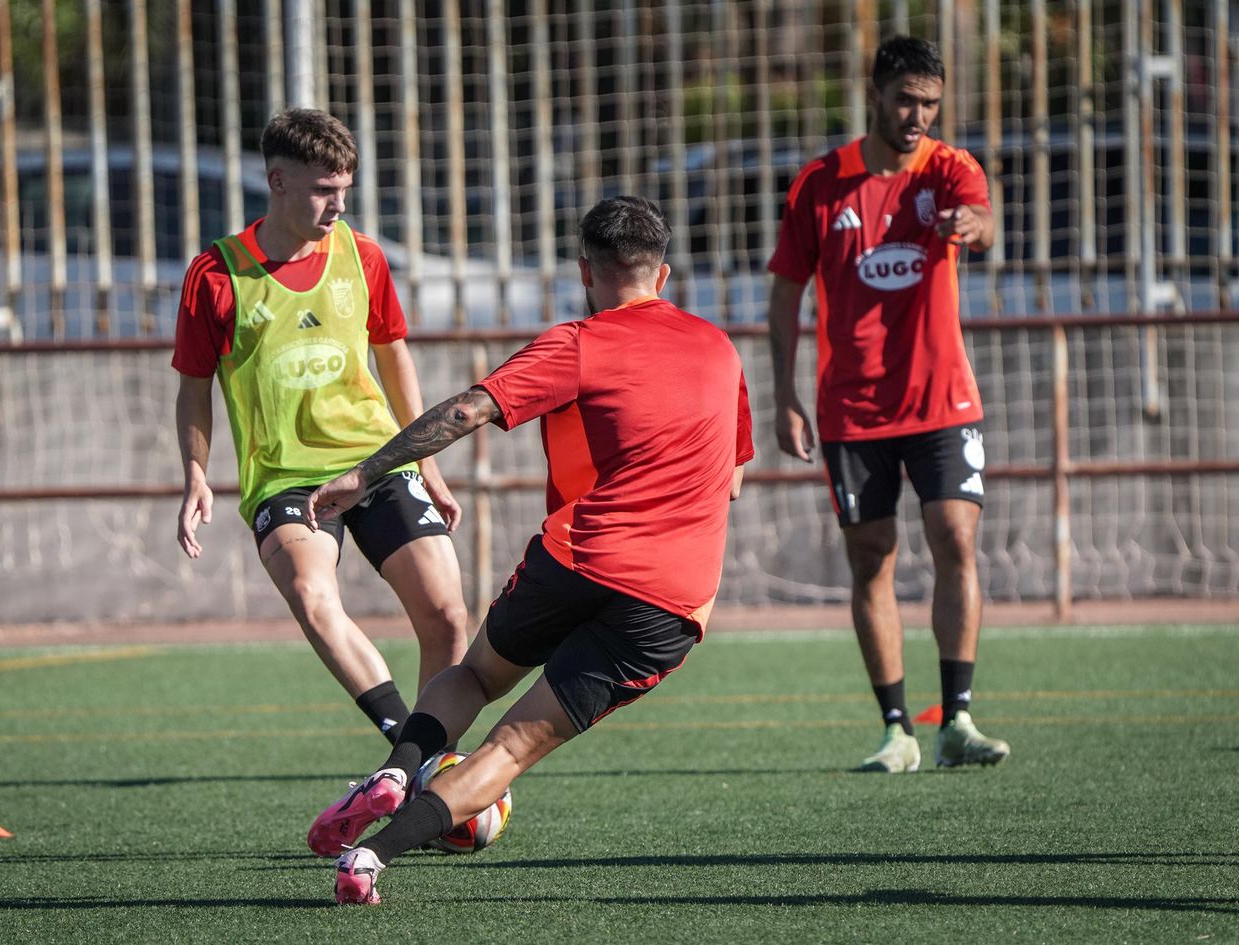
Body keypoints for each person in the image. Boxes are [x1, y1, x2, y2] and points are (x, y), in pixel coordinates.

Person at [305, 196, 754, 904]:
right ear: (662, 274)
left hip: (578, 557)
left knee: (478, 675)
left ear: (584, 270)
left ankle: (397, 769)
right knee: (510, 748)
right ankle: (368, 860)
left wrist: (366, 473)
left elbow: (465, 410)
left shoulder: (581, 341)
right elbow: (729, 482)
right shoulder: (720, 350)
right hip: (668, 598)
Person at [173, 109, 467, 753]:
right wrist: (195, 474)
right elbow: (193, 387)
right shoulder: (215, 275)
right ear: (277, 181)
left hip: (379, 459)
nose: (338, 205)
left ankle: (428, 763)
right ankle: (411, 753)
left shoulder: (363, 257)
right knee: (311, 592)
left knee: (446, 614)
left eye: (345, 191)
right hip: (285, 478)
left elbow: (393, 356)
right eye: (323, 191)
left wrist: (430, 464)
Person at [766, 35, 1009, 773]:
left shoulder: (950, 169)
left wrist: (974, 227)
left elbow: (987, 221)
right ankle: (897, 728)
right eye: (906, 99)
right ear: (874, 93)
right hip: (853, 408)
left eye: (930, 103)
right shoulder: (821, 184)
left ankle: (958, 720)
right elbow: (786, 292)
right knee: (871, 558)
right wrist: (784, 395)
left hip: (943, 400)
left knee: (955, 538)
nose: (918, 116)